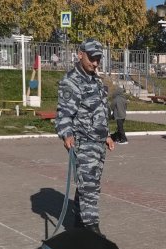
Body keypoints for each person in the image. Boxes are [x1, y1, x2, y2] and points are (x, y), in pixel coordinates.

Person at [54, 39, 115, 235]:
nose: (95, 63)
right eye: (92, 58)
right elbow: (64, 113)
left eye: (98, 59)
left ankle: (79, 228)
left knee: (89, 185)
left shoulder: (96, 81)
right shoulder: (71, 81)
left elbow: (100, 112)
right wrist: (66, 134)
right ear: (80, 54)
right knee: (89, 187)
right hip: (83, 143)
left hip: (98, 144)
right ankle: (92, 232)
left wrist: (106, 135)